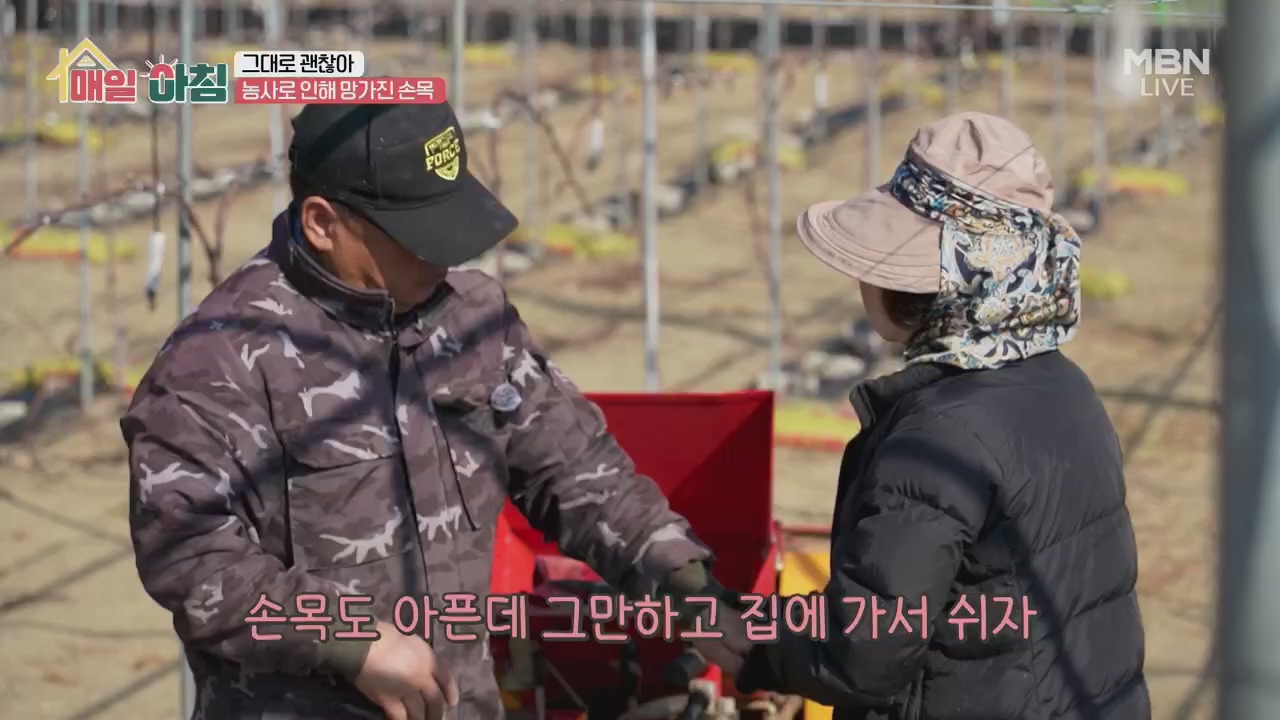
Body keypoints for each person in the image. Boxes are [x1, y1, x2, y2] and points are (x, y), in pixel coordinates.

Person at [121, 102, 746, 720]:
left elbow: (577, 472)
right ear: (322, 223)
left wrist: (689, 589)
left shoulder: (473, 322)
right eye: (415, 239)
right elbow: (191, 558)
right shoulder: (218, 363)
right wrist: (350, 641)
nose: (442, 260)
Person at [733, 112, 1150, 719]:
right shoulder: (1065, 388)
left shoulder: (934, 440)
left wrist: (753, 643)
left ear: (935, 290)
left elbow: (865, 654)